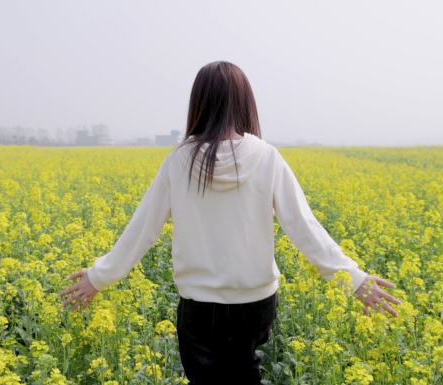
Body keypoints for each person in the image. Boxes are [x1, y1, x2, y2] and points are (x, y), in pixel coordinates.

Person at [58, 60, 402, 384]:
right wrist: (352, 279)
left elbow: (142, 229)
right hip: (256, 302)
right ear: (244, 103)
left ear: (199, 103)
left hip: (199, 305)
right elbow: (303, 226)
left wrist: (99, 277)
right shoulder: (266, 157)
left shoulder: (179, 162)